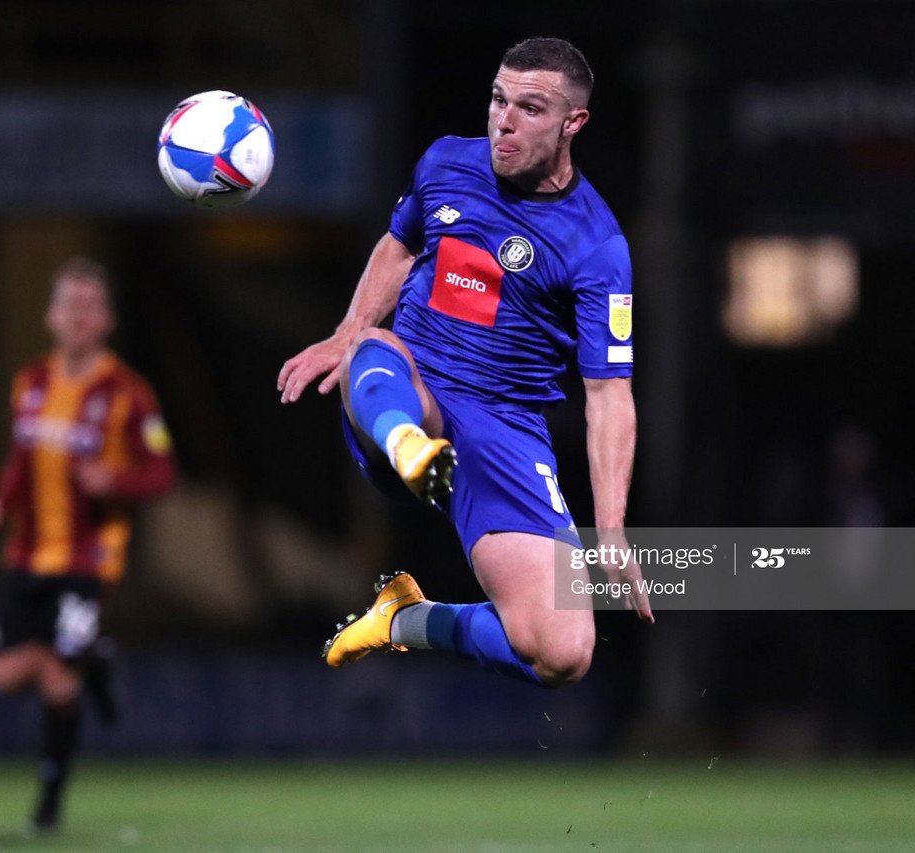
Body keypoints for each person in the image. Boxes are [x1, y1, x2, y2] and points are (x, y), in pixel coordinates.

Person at [278, 37, 651, 690]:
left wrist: (612, 526)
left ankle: (402, 618)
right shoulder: (447, 162)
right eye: (498, 99)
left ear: (574, 123)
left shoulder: (596, 244)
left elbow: (609, 394)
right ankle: (408, 445)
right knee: (376, 347)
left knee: (565, 650)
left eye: (529, 108)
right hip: (405, 390)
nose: (503, 120)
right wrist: (345, 333)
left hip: (502, 429)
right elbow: (399, 246)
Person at [0, 257, 175, 831]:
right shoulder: (29, 382)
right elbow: (21, 458)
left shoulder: (130, 394)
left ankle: (49, 803)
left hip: (91, 556)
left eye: (91, 307)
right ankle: (95, 657)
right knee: (3, 674)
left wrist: (116, 481)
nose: (79, 317)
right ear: (51, 316)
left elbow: (162, 474)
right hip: (27, 554)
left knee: (59, 681)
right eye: (70, 305)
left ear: (107, 319)